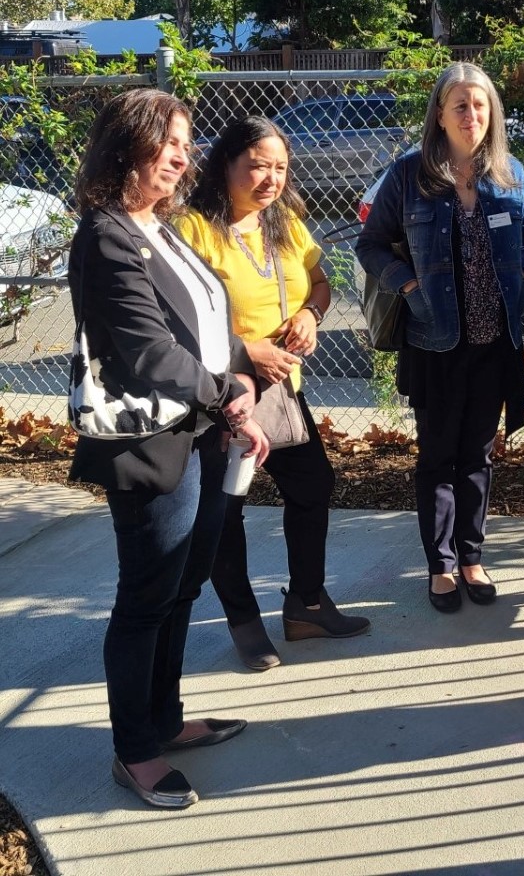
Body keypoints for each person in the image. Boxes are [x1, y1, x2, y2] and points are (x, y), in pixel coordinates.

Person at [69, 88, 270, 809]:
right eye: (170, 141)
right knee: (146, 595)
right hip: (153, 442)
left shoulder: (163, 225)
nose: (183, 155)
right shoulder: (106, 235)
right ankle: (134, 748)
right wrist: (228, 395)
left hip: (205, 430)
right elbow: (150, 351)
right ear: (129, 143)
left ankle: (167, 717)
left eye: (187, 143)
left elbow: (204, 324)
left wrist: (242, 368)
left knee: (183, 585)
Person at [178, 117, 370, 671]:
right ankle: (243, 621)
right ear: (226, 165)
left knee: (313, 485)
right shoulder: (193, 229)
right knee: (225, 510)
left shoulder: (283, 222)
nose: (270, 178)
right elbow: (178, 319)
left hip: (284, 389)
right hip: (220, 391)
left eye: (280, 167)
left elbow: (321, 281)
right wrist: (245, 351)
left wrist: (311, 314)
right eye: (258, 165)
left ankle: (306, 605)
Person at [356, 62, 524, 613]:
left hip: (495, 342)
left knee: (477, 456)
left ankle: (471, 558)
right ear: (439, 114)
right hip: (434, 343)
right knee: (438, 456)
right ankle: (440, 565)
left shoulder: (511, 175)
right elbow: (370, 246)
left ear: (493, 113)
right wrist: (410, 284)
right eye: (459, 104)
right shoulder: (408, 175)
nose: (471, 115)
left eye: (480, 104)